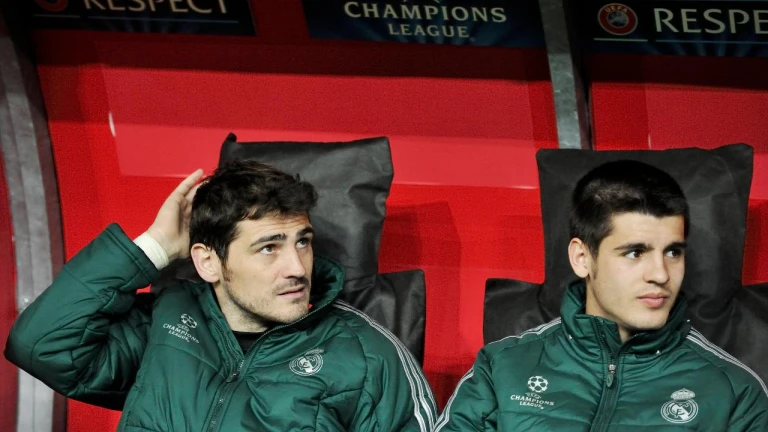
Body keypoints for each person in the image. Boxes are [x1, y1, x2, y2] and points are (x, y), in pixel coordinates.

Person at [5, 160, 437, 431]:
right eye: (268, 248)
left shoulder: (370, 356)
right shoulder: (168, 321)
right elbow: (42, 347)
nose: (296, 266)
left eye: (302, 241)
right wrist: (155, 246)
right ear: (208, 262)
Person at [435, 160, 768, 431]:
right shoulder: (502, 367)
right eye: (635, 253)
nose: (661, 274)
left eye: (673, 252)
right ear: (582, 258)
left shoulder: (735, 393)